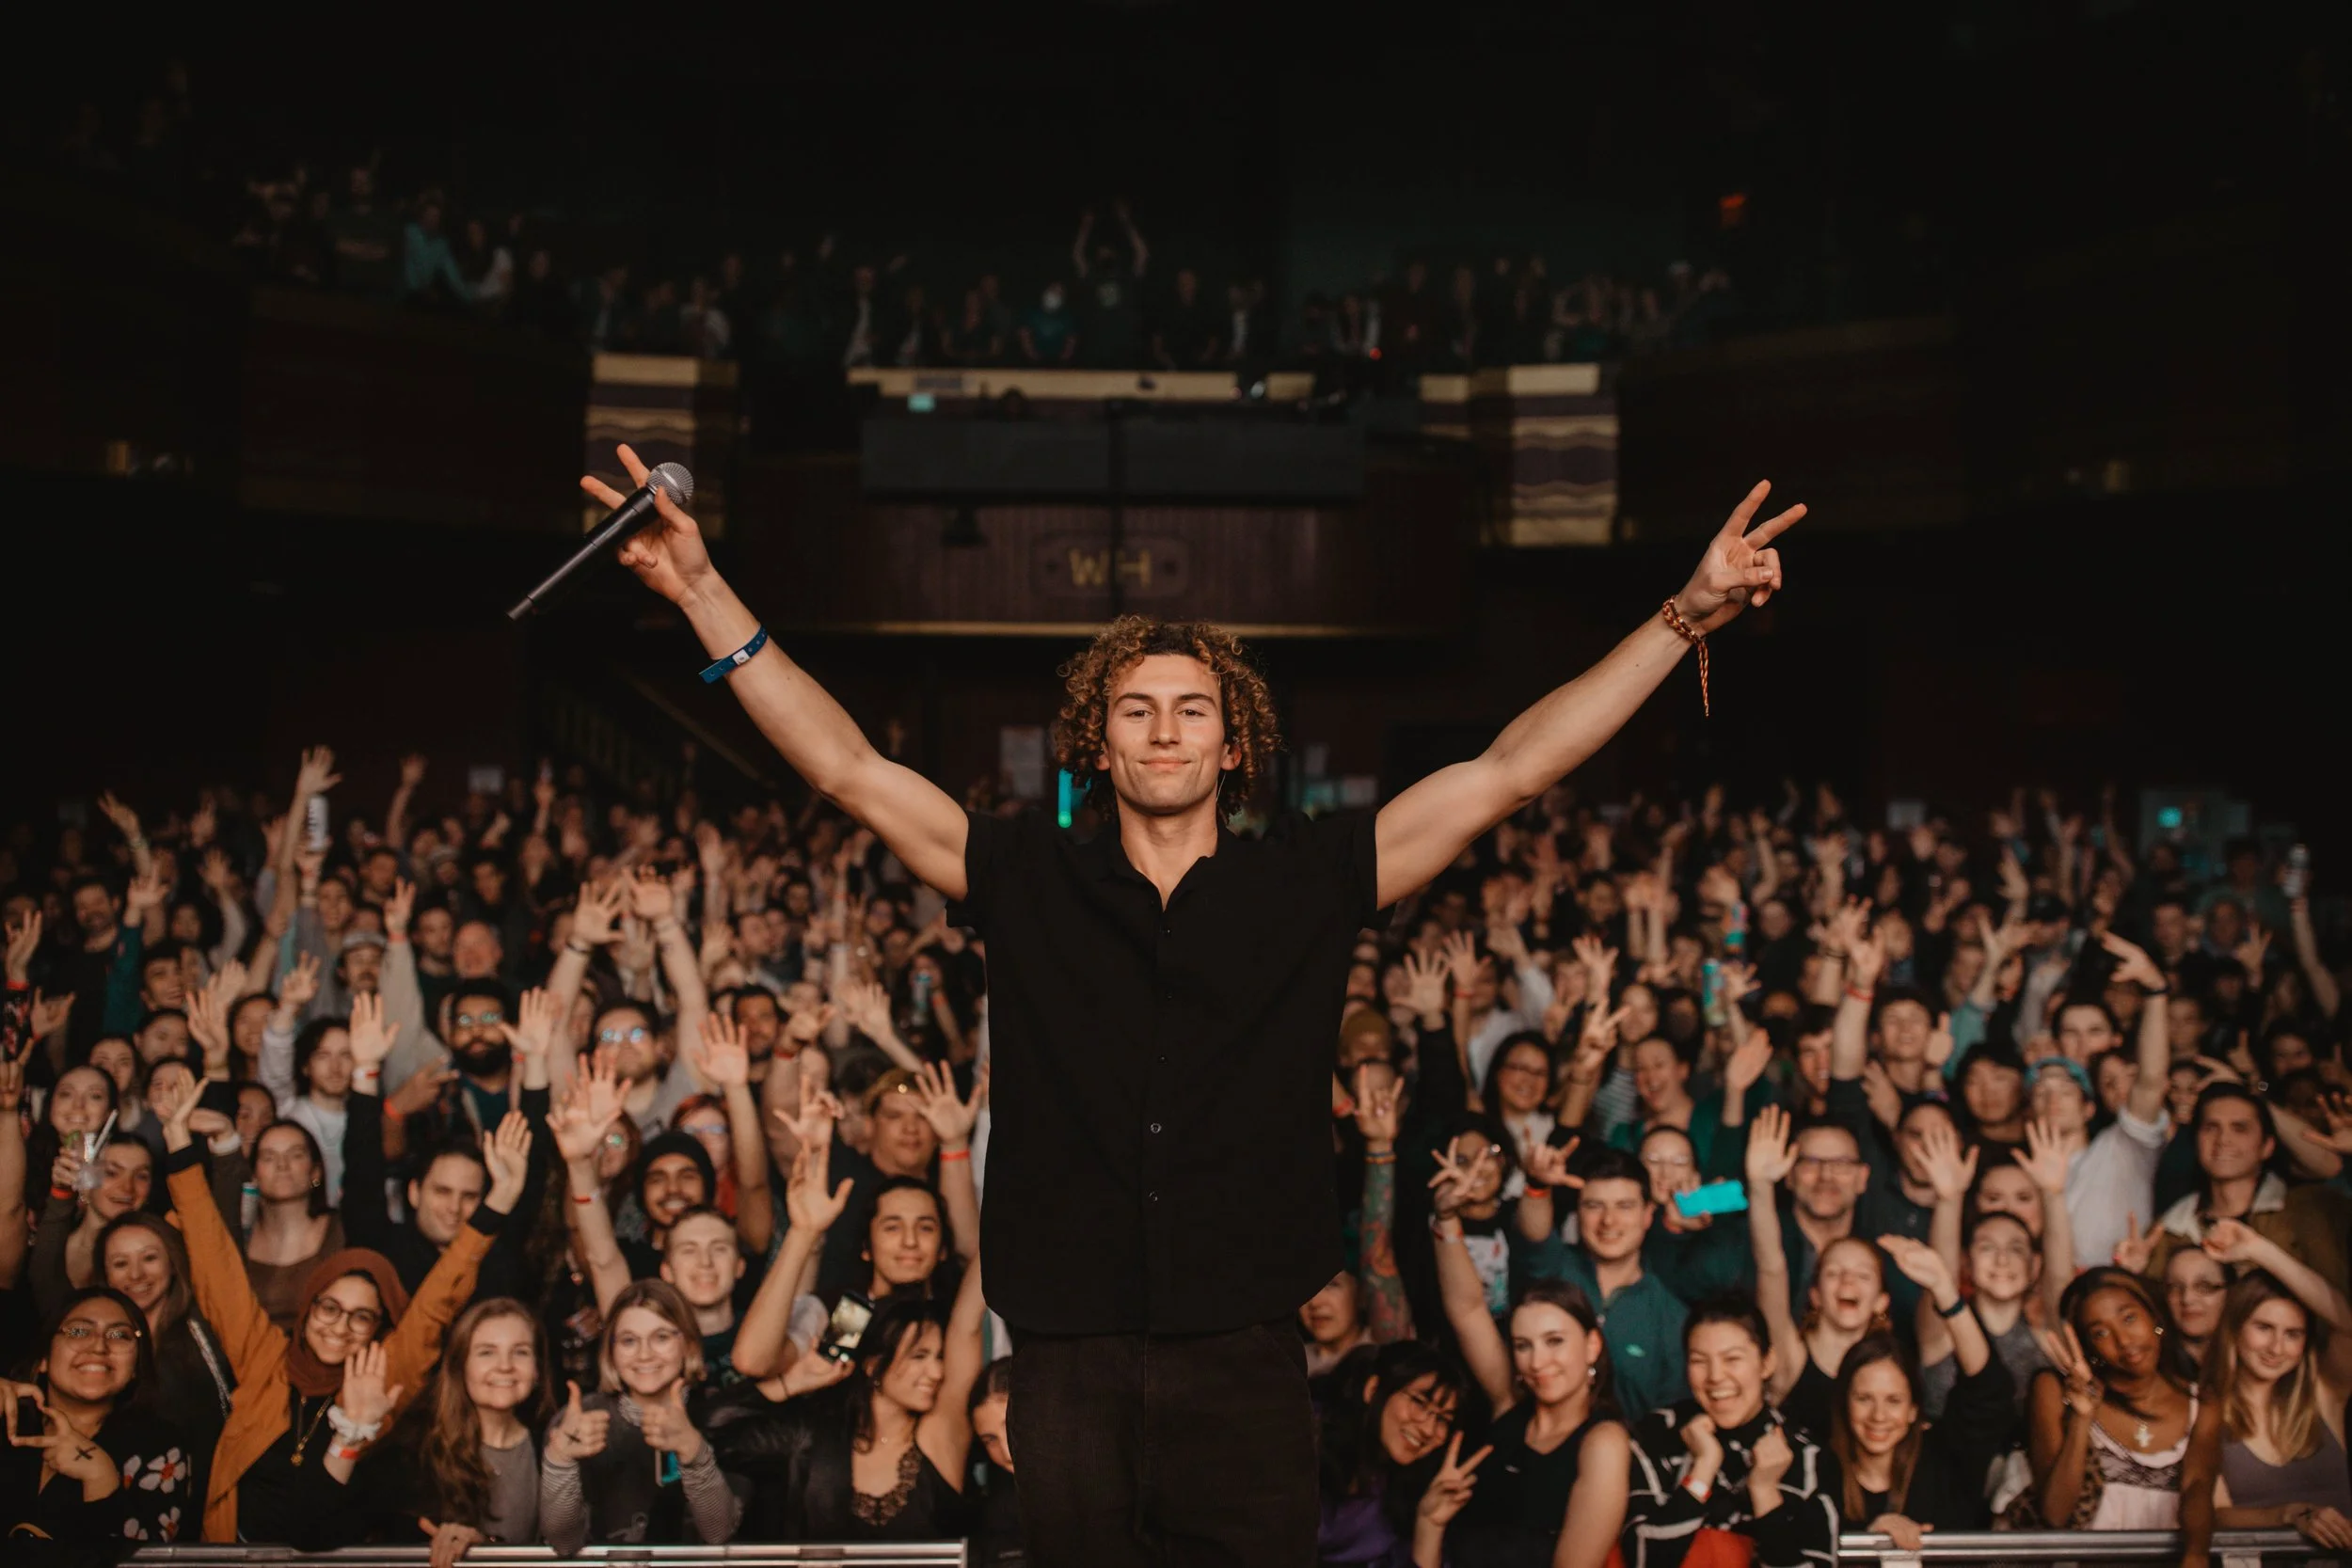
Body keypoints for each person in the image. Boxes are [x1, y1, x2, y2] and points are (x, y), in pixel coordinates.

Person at [583, 437, 1802, 1567]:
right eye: (1135, 708)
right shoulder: (1020, 870)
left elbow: (1508, 771)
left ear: (1232, 746)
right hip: (1066, 1354)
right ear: (1097, 741)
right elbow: (848, 767)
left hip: (1249, 1354)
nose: (1163, 728)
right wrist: (701, 591)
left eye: (1191, 709)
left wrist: (1678, 617)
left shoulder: (1312, 878)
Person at [153, 1064, 526, 1544]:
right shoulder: (268, 1360)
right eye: (329, 1308)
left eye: (362, 1316)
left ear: (378, 1329)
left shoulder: (385, 1372)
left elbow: (438, 1299)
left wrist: (501, 1200)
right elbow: (216, 1267)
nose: (340, 1326)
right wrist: (178, 1140)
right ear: (307, 1311)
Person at [1436, 1164, 1632, 1568]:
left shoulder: (1603, 1443)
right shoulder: (1510, 1404)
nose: (1538, 1361)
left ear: (1592, 1346)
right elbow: (1468, 1308)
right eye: (1523, 1345)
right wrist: (1446, 1217)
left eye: (1555, 1341)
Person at [1620, 1290, 1838, 1568]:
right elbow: (1641, 1559)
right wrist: (1703, 1469)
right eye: (1699, 1361)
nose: (1715, 1377)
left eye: (1732, 1359)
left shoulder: (1810, 1456)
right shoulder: (1657, 1433)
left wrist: (1764, 1492)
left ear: (1767, 1362)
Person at [1830, 1237, 2015, 1545]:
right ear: (1844, 1403)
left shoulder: (1946, 1458)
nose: (1878, 1416)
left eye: (1894, 1400)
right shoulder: (1821, 1474)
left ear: (1914, 1408)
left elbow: (1988, 1388)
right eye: (1864, 1399)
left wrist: (1944, 1289)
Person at [2025, 1265, 2220, 1554]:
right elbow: (2055, 1514)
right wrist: (2082, 1417)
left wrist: (2195, 1555)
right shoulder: (2054, 1389)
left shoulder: (2201, 1402)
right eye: (2100, 1333)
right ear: (2088, 1345)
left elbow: (2198, 1487)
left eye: (2129, 1318)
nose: (2124, 1341)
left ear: (2154, 1318)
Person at [537, 1278, 742, 1549]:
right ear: (611, 1353)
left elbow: (719, 1533)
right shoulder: (582, 1419)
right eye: (629, 1340)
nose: (644, 1354)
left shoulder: (720, 1414)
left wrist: (694, 1451)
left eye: (661, 1337)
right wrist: (560, 1460)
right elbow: (563, 1542)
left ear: (689, 1345)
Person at [0, 1285, 195, 1545]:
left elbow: (148, 1561)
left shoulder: (161, 1447)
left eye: (120, 1335)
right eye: (79, 1331)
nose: (99, 1346)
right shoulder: (7, 1422)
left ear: (136, 1366)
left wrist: (100, 1478)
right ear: (43, 1358)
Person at [2199, 1221, 2352, 1547]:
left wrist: (2258, 1249)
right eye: (2264, 1328)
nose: (2276, 1348)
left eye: (2292, 1334)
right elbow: (2214, 1514)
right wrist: (2291, 1514)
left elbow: (2346, 1322)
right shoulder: (2202, 1408)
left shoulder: (2323, 1394)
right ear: (2236, 1327)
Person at [1743, 1104, 1890, 1443]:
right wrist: (1761, 1185)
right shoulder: (1790, 1359)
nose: (1848, 1282)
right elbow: (1771, 1266)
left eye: (1862, 1275)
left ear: (1882, 1300)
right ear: (1814, 1294)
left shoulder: (1893, 1369)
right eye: (1834, 1273)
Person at [1515, 1146, 1691, 1418]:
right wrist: (1537, 1185)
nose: (1609, 1220)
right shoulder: (1558, 1268)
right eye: (1594, 1206)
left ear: (1647, 1215)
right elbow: (1534, 1236)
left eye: (1625, 1206)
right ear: (1578, 1212)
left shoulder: (1671, 1316)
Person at [402, 1297, 552, 1562]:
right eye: (486, 1352)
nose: (505, 1366)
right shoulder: (420, 1449)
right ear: (460, 1366)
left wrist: (484, 1545)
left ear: (537, 1370)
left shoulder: (551, 1445)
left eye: (521, 1352)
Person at [99, 1211, 234, 1497]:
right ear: (105, 1275)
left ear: (173, 1263)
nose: (136, 1274)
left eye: (149, 1258)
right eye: (121, 1263)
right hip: (117, 1500)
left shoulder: (206, 1332)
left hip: (204, 1500)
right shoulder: (96, 1340)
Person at [1313, 1340, 1472, 1568]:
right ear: (1373, 1389)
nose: (1428, 1429)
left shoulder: (1406, 1490)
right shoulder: (1303, 1441)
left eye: (1443, 1419)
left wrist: (1429, 1525)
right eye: (1419, 1402)